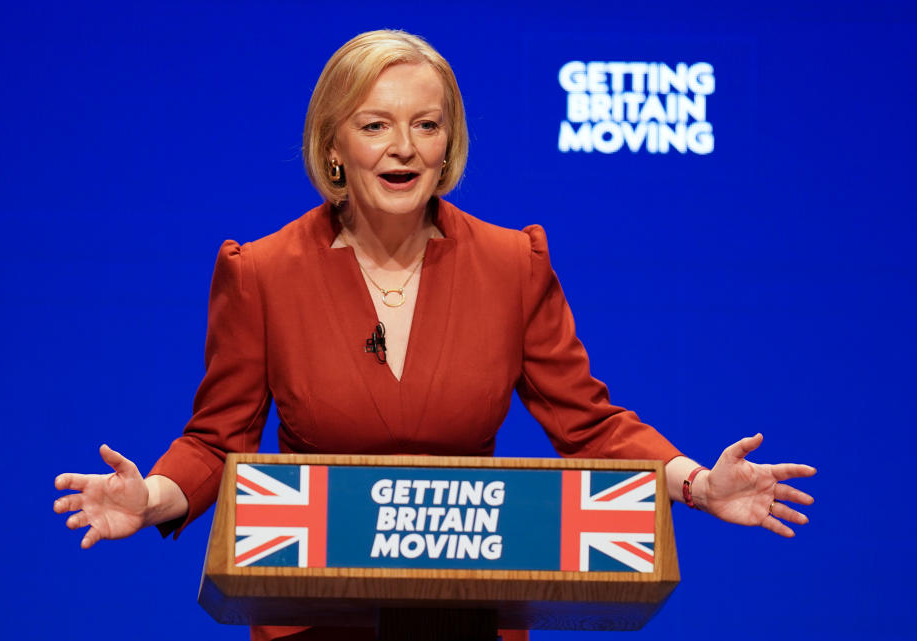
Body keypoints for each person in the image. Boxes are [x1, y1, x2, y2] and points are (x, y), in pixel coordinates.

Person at [53, 30, 815, 641]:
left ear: (449, 146)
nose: (404, 147)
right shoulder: (263, 271)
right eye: (375, 124)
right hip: (315, 613)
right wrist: (150, 498)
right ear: (333, 147)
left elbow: (588, 422)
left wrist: (695, 483)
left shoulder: (513, 262)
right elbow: (219, 439)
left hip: (471, 605)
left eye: (427, 125)